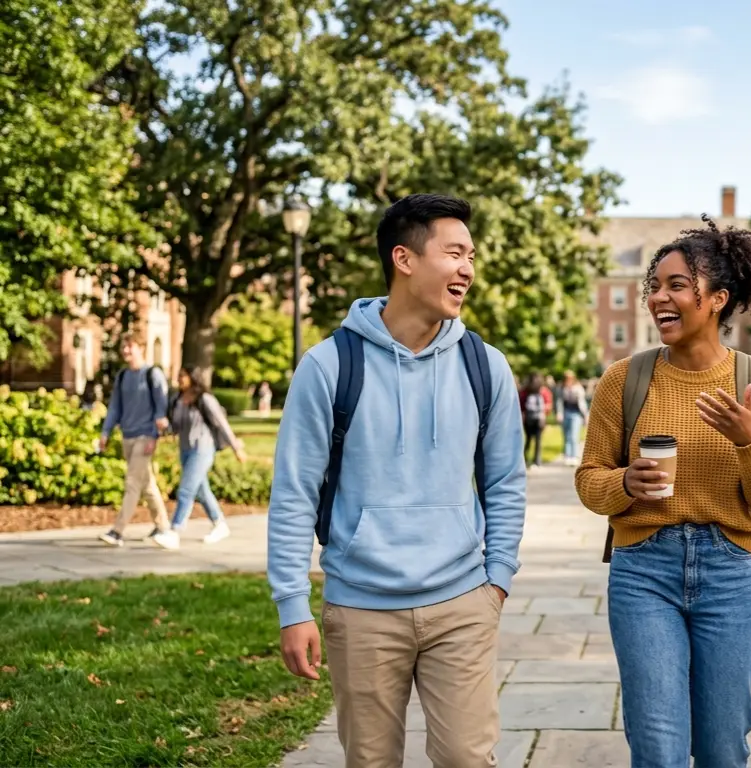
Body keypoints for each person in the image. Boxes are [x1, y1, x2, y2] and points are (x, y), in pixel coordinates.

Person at [266, 194, 527, 768]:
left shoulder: (485, 365)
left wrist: (498, 580)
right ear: (404, 259)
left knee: (467, 759)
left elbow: (506, 480)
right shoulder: (328, 366)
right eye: (454, 253)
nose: (468, 268)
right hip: (360, 608)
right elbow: (293, 492)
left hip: (462, 601)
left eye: (471, 256)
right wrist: (292, 605)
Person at [575, 215, 751, 766]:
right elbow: (589, 480)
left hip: (729, 573)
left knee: (723, 745)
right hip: (643, 572)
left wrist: (748, 441)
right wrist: (624, 483)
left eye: (677, 285)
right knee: (658, 745)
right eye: (654, 286)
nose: (658, 298)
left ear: (718, 299)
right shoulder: (624, 380)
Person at [97, 333, 179, 550]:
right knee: (146, 484)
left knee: (132, 482)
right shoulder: (123, 376)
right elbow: (115, 407)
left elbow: (161, 408)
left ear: (141, 348)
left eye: (130, 346)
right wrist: (105, 432)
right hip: (128, 436)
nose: (125, 350)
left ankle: (117, 531)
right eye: (124, 347)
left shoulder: (153, 374)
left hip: (145, 436)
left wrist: (154, 436)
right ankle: (163, 526)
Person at [167, 366, 247, 544]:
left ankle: (174, 531)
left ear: (192, 378)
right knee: (201, 491)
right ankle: (220, 524)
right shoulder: (177, 400)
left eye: (183, 376)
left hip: (202, 449)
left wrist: (236, 448)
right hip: (185, 450)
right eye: (178, 375)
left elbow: (222, 423)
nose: (179, 379)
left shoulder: (204, 399)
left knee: (186, 490)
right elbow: (175, 426)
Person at [520, 373, 552, 467]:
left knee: (528, 440)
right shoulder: (544, 391)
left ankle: (525, 460)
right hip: (539, 419)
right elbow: (548, 405)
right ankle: (536, 461)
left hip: (528, 419)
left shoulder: (525, 391)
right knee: (538, 440)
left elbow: (521, 405)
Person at [560, 370, 589, 465]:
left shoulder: (578, 388)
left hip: (576, 413)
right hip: (566, 413)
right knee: (566, 436)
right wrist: (559, 413)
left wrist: (585, 415)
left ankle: (574, 455)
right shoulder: (562, 388)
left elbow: (582, 403)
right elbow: (560, 402)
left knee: (573, 435)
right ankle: (568, 456)